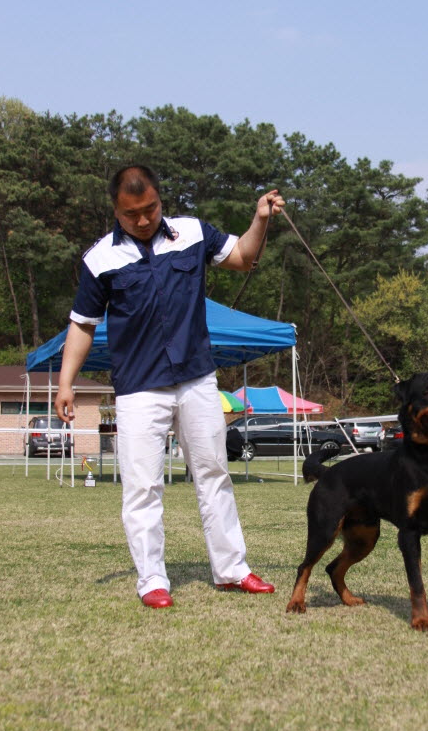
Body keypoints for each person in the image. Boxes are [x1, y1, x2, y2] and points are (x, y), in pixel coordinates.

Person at [55, 164, 284, 608]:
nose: (143, 220)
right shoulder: (100, 259)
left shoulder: (192, 232)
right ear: (116, 211)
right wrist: (66, 383)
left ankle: (232, 570)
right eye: (131, 213)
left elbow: (243, 258)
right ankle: (152, 580)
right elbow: (82, 324)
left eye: (151, 208)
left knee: (214, 474)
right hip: (139, 387)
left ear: (161, 199)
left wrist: (260, 220)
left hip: (197, 378)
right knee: (142, 486)